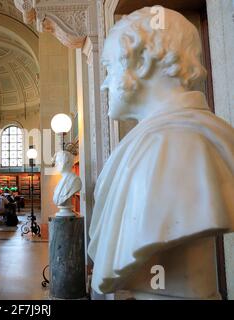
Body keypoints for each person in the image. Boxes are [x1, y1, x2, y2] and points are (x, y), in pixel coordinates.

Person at [88, 7, 234, 300]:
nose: (104, 83)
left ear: (141, 62)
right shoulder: (155, 141)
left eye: (109, 68)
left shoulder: (177, 143)